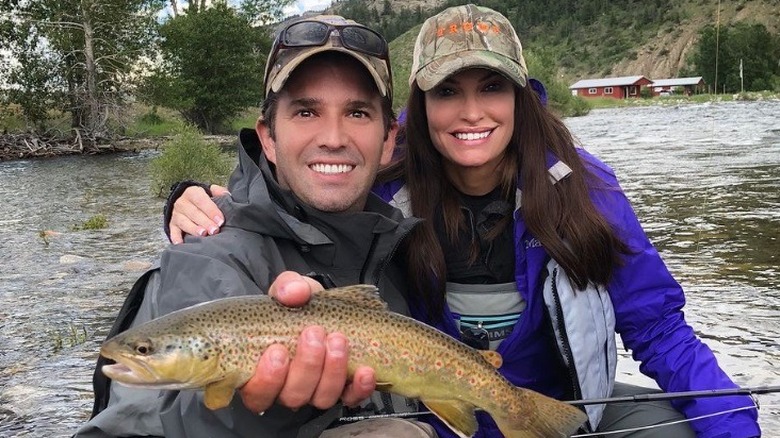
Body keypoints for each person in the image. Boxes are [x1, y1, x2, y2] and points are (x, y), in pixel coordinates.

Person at [168, 4, 762, 438]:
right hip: (432, 417)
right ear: (418, 110)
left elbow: (658, 328)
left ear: (520, 98)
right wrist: (191, 196)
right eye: (448, 90)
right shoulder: (384, 188)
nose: (472, 111)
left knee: (680, 427)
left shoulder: (586, 190)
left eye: (491, 87)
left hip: (558, 406)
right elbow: (290, 195)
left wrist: (736, 430)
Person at [75, 14, 440, 438]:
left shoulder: (406, 242)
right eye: (306, 111)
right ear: (267, 138)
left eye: (357, 112)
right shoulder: (203, 260)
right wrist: (252, 409)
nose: (334, 136)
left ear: (388, 139)